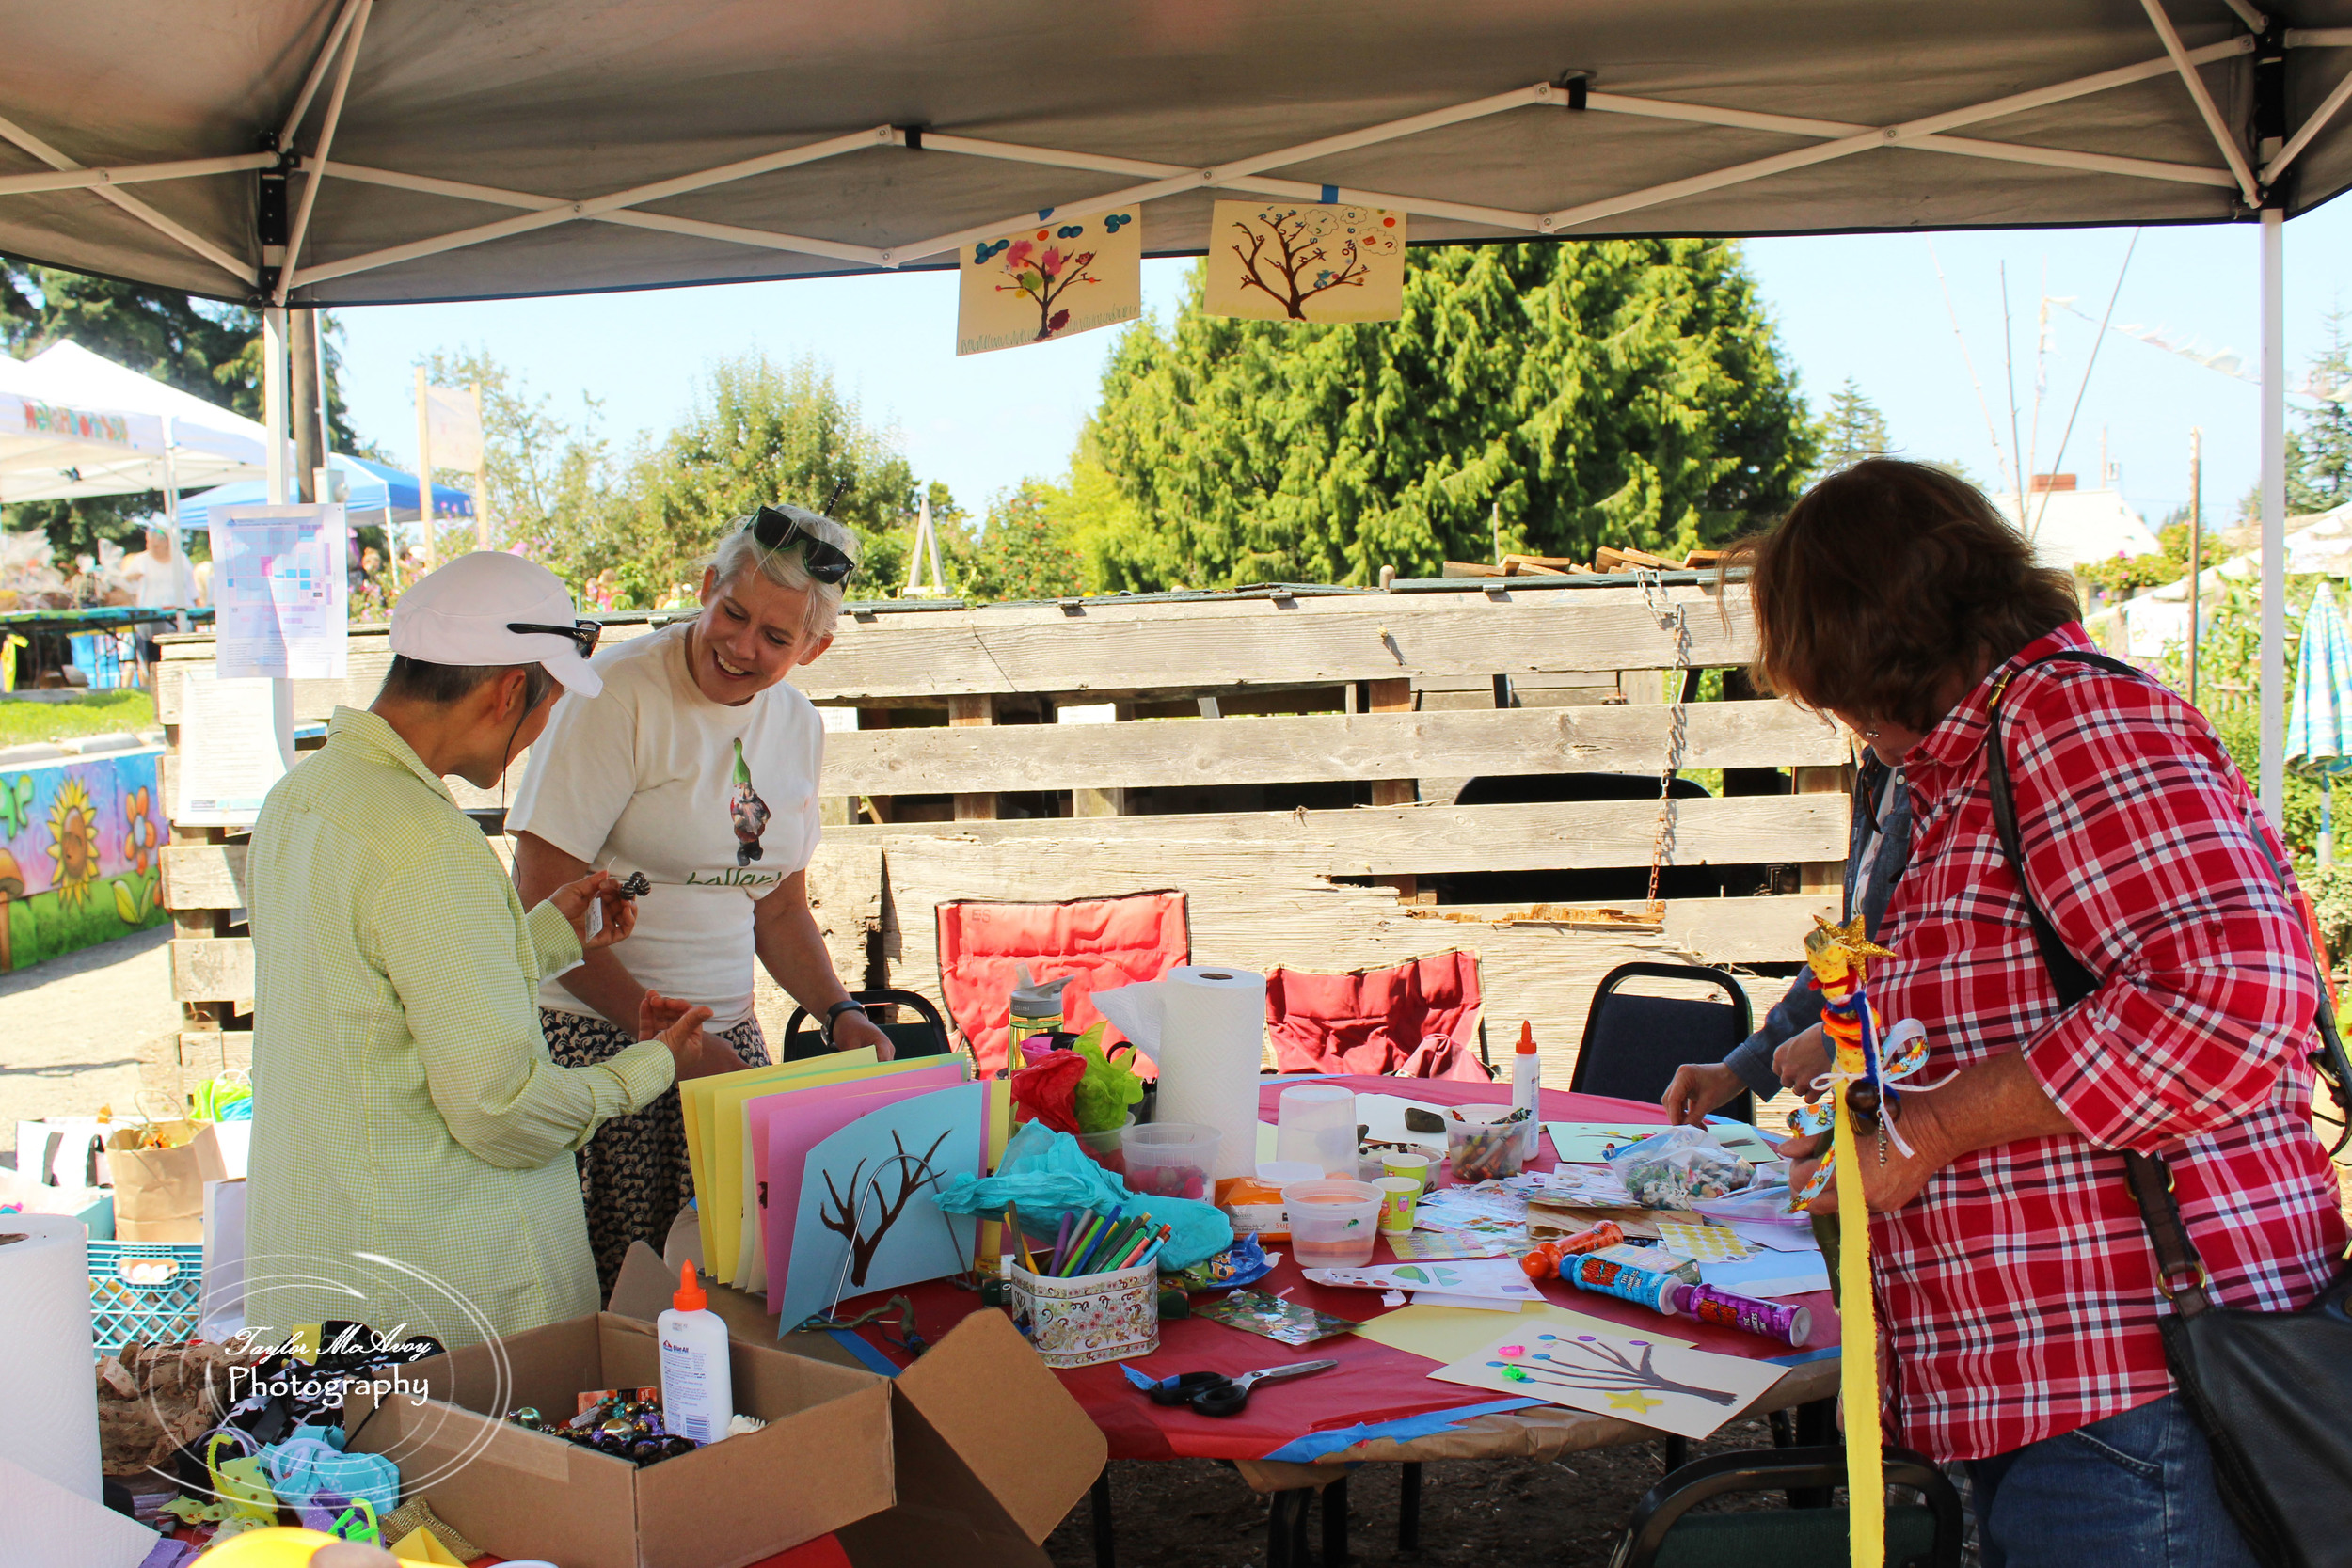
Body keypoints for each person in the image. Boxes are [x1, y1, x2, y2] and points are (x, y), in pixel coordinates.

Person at [1737, 459, 2346, 1567]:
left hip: (2140, 1388)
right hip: (2064, 1391)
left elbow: (2230, 997)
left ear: (1868, 642)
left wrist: (1924, 1133)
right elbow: (2012, 987)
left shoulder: (2069, 722)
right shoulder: (1980, 758)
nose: (1839, 717)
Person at [243, 552, 744, 1349]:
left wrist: (543, 933)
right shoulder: (427, 844)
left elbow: (381, 993)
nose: (540, 733)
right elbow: (501, 1110)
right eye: (545, 708)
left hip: (327, 1261)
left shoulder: (300, 800)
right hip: (444, 1296)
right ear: (511, 689)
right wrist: (649, 1065)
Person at [507, 503, 896, 1293]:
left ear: (815, 648)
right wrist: (664, 1039)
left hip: (725, 1047)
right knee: (618, 1302)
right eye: (734, 612)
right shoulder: (615, 694)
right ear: (707, 584)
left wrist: (841, 1012)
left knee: (730, 1295)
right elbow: (541, 894)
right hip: (593, 1040)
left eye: (776, 638)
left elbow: (778, 906)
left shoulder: (797, 726)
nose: (741, 645)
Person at [1661, 750, 1910, 1126]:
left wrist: (1836, 1040)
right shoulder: (1878, 767)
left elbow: (1946, 963)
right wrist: (1738, 1070)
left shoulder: (1944, 776)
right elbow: (1854, 943)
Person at [120, 524, 201, 688]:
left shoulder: (180, 559)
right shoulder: (141, 560)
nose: (153, 548)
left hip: (179, 615)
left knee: (182, 654)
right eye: (149, 544)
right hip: (151, 619)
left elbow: (191, 587)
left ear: (166, 543)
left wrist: (197, 607)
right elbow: (124, 583)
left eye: (156, 544)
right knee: (155, 657)